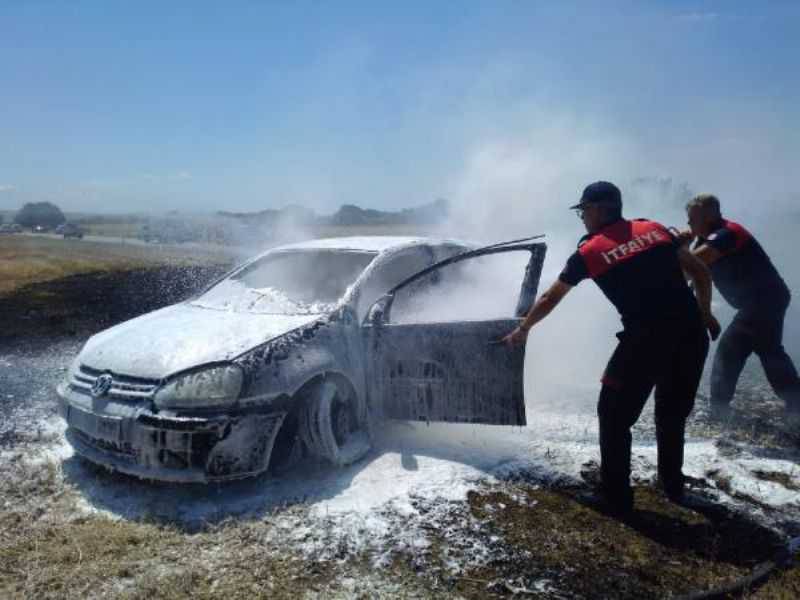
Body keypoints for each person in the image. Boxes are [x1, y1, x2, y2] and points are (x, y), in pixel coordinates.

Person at [503, 181, 720, 515]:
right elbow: (701, 273)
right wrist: (704, 315)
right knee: (672, 413)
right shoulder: (655, 230)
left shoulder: (590, 251)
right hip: (691, 336)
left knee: (614, 416)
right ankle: (672, 485)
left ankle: (616, 497)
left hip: (645, 343)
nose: (583, 218)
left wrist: (523, 328)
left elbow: (550, 297)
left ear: (601, 209)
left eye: (584, 210)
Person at [683, 194, 800, 418]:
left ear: (708, 216)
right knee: (770, 351)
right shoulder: (707, 237)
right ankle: (796, 403)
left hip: (762, 301)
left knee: (730, 351)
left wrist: (676, 251)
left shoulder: (727, 234)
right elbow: (692, 278)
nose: (688, 224)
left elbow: (692, 266)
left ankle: (719, 408)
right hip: (764, 300)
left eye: (691, 219)